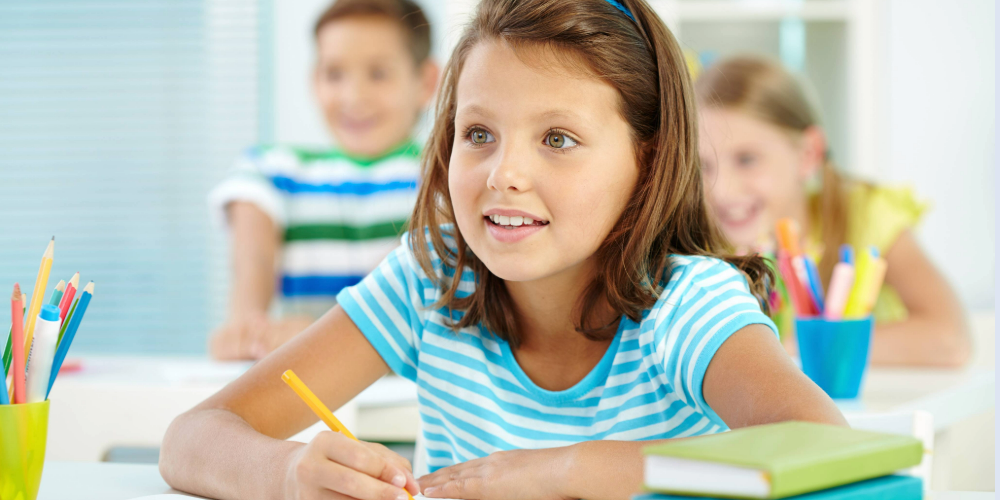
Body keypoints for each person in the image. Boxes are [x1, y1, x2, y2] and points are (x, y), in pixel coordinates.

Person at [161, 2, 845, 499]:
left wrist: (567, 469)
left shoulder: (683, 304)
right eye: (479, 133)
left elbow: (825, 444)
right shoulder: (431, 281)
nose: (502, 174)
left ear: (649, 157)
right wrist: (286, 473)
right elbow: (194, 437)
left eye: (558, 139)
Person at [695, 56, 970, 367]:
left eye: (747, 159)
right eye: (702, 165)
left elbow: (949, 341)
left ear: (808, 154)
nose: (722, 190)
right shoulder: (693, 242)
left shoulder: (864, 214)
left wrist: (789, 348)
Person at [207, 0, 439, 360]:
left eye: (378, 74)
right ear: (314, 81)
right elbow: (250, 222)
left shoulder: (440, 175)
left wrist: (319, 338)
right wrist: (246, 328)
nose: (353, 97)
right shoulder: (276, 171)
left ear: (425, 82)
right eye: (334, 74)